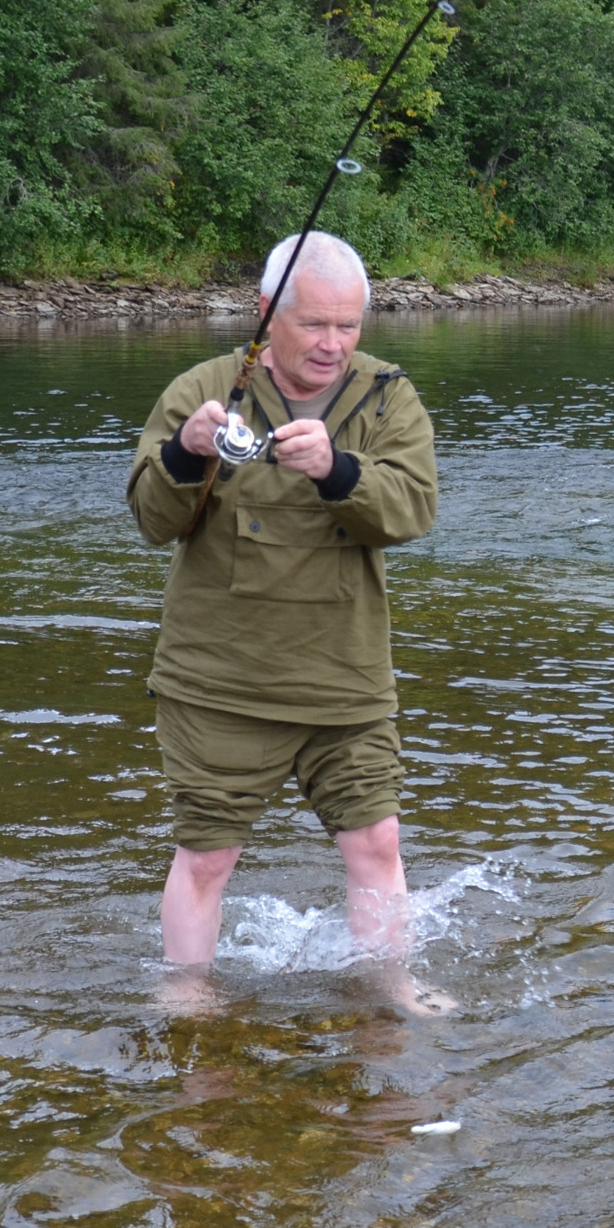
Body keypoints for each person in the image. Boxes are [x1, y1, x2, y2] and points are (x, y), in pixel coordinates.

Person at [125, 233, 441, 988]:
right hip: (218, 678)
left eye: (349, 326)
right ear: (267, 314)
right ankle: (188, 997)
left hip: (345, 675)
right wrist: (185, 454)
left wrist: (340, 471)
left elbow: (413, 510)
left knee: (377, 842)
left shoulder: (387, 397)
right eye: (314, 325)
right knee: (206, 856)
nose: (334, 344)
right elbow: (150, 517)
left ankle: (388, 988)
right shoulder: (202, 387)